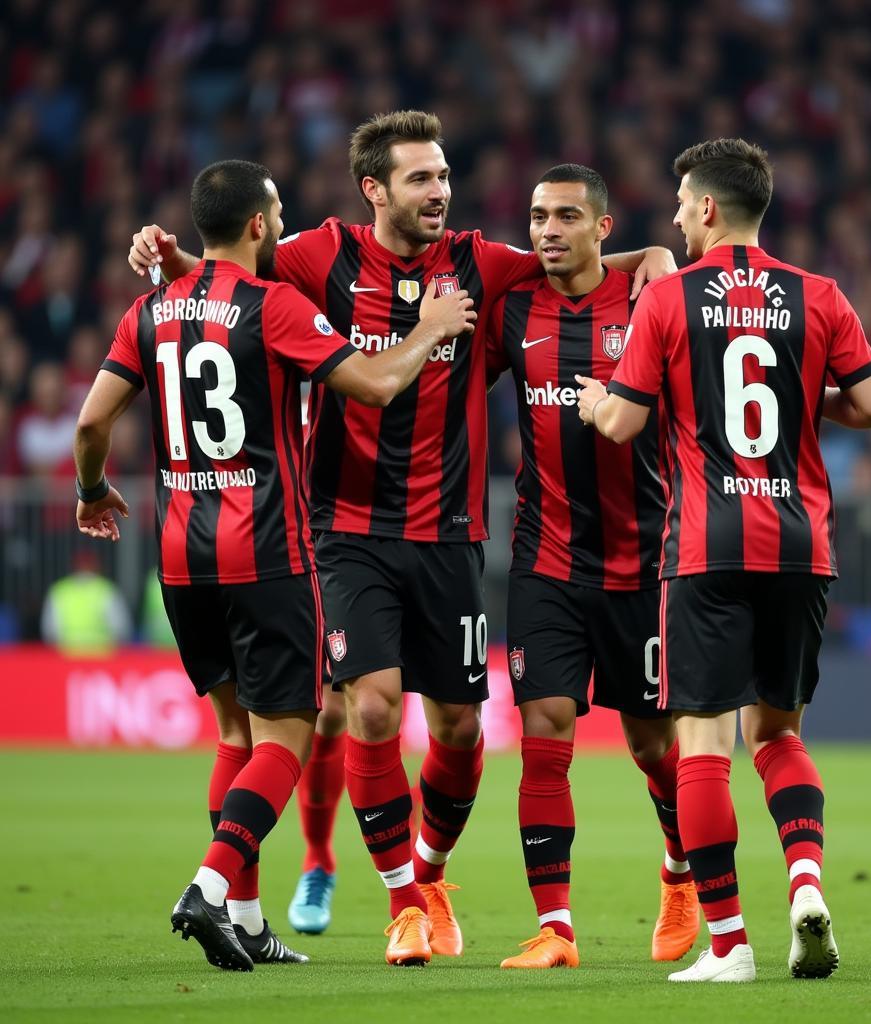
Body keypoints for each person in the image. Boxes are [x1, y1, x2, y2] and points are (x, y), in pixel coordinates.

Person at [127, 110, 674, 964]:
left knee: (457, 728)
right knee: (372, 706)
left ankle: (431, 869)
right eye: (421, 179)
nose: (440, 193)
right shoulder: (317, 256)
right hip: (342, 529)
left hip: (451, 535)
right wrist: (175, 261)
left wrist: (663, 258)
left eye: (445, 176)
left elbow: (592, 264)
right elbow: (232, 280)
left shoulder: (480, 263)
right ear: (374, 189)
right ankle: (403, 905)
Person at [77, 158, 476, 972]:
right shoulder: (275, 307)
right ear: (259, 225)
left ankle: (250, 920)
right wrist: (431, 331)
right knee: (287, 737)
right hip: (267, 552)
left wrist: (91, 492)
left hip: (182, 560)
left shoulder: (148, 311)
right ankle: (211, 886)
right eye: (279, 214)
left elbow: (91, 423)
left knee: (234, 733)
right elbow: (370, 386)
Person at [577, 138, 871, 982]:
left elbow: (622, 424)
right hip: (799, 543)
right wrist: (800, 395)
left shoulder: (672, 300)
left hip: (706, 546)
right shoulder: (818, 294)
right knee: (779, 732)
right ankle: (804, 885)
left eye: (683, 203)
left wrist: (592, 398)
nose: (677, 217)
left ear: (709, 208)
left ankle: (728, 946)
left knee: (704, 743)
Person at [486, 164, 698, 969]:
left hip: (643, 564)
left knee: (653, 747)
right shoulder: (511, 311)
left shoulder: (650, 302)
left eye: (567, 216)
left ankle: (678, 874)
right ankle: (557, 928)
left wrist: (657, 258)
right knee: (545, 731)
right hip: (544, 561)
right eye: (538, 215)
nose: (548, 230)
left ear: (601, 229)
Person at [40, 549, 131, 655]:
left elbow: (50, 630)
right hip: (101, 657)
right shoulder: (106, 590)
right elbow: (121, 629)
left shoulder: (60, 590)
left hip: (67, 656)